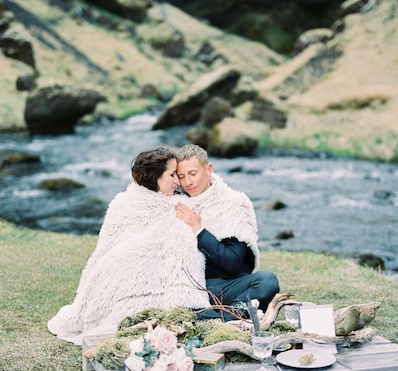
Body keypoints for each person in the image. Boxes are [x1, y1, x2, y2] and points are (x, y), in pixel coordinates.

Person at [47, 146, 210, 345]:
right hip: (120, 279)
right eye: (172, 175)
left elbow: (180, 252)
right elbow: (104, 249)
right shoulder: (123, 203)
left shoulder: (180, 208)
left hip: (160, 284)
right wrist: (87, 292)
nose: (178, 181)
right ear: (155, 177)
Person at [175, 144, 279, 321]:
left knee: (267, 281)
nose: (188, 183)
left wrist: (199, 230)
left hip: (229, 286)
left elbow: (232, 263)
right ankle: (223, 318)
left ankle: (223, 319)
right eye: (182, 176)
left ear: (208, 170)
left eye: (193, 174)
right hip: (192, 288)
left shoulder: (233, 203)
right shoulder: (176, 201)